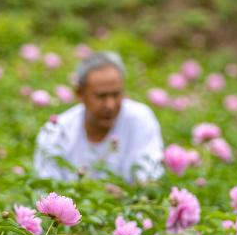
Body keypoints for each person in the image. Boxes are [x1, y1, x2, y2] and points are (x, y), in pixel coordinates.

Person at [34, 52, 164, 184]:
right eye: (101, 96)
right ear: (80, 94)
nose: (110, 105)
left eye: (116, 94)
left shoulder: (140, 120)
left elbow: (150, 181)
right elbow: (46, 187)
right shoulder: (56, 132)